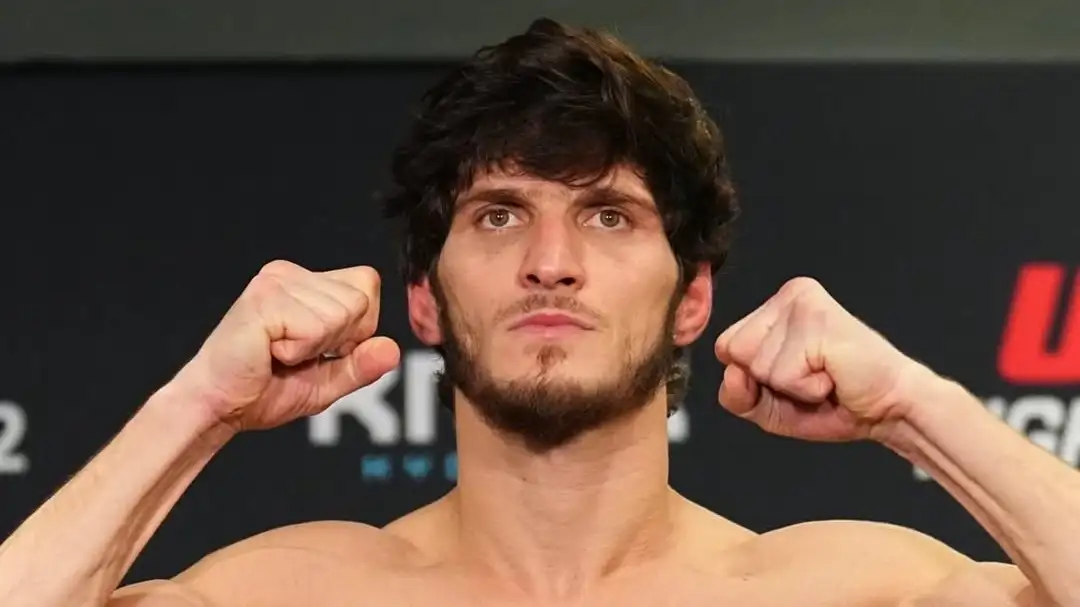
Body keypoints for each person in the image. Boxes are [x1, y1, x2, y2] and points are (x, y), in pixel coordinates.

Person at [1, 18, 1076, 607]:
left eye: (609, 216)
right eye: (499, 216)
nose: (551, 264)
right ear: (425, 297)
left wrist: (916, 406)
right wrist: (197, 405)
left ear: (694, 296)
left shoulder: (839, 593)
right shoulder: (296, 593)